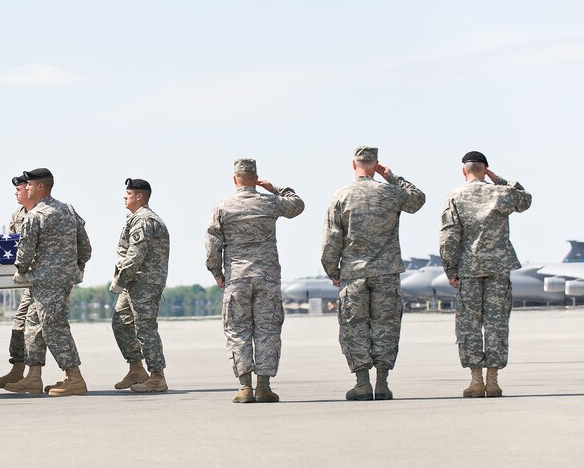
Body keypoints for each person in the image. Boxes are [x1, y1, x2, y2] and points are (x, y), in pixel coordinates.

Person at [321, 147, 425, 401]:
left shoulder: (342, 195)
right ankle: (382, 383)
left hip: (354, 273)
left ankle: (362, 383)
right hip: (386, 271)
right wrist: (392, 177)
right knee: (385, 327)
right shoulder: (391, 193)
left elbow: (331, 238)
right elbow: (418, 199)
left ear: (353, 164)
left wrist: (333, 270)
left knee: (354, 326)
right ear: (376, 164)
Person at [205, 159, 304, 404]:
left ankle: (245, 387)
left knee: (237, 331)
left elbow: (212, 244)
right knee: (268, 330)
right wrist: (275, 188)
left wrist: (217, 272)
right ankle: (264, 386)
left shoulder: (223, 206)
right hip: (267, 278)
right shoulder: (269, 202)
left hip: (237, 278)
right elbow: (297, 205)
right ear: (255, 177)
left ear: (234, 178)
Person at [439, 151, 532, 397]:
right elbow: (525, 199)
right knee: (497, 324)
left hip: (469, 269)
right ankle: (493, 381)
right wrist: (498, 179)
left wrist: (450, 269)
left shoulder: (456, 196)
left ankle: (476, 380)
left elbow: (449, 236)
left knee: (469, 326)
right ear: (485, 170)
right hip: (498, 269)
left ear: (464, 171)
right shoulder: (501, 193)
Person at [5, 168, 92, 397]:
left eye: (31, 185)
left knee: (54, 327)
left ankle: (74, 377)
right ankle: (33, 377)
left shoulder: (36, 215)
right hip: (60, 278)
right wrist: (75, 266)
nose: (27, 188)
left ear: (40, 187)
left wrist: (21, 271)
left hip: (45, 279)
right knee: (33, 325)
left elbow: (24, 252)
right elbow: (85, 247)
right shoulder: (68, 210)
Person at [109, 178, 170, 393]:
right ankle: (136, 369)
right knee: (121, 323)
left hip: (144, 283)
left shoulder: (144, 220)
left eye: (129, 193)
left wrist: (119, 281)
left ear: (140, 196)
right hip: (135, 283)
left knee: (145, 327)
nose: (125, 197)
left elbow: (135, 256)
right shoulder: (135, 218)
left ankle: (157, 376)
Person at [0, 174, 37, 389]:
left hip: (49, 278)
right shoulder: (17, 216)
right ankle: (18, 370)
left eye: (19, 189)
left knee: (45, 329)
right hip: (30, 281)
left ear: (30, 188)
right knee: (20, 323)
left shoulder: (47, 213)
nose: (16, 193)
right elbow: (12, 248)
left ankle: (64, 374)